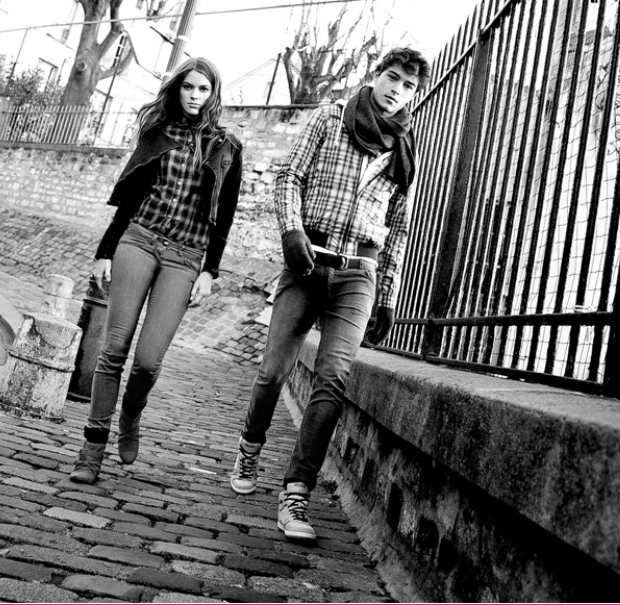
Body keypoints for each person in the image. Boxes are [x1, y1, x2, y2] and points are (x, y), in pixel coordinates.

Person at [228, 47, 431, 540]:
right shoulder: (330, 118)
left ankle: (296, 494)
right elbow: (289, 177)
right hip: (308, 260)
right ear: (376, 75)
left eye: (407, 86)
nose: (397, 90)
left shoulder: (404, 150)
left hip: (359, 273)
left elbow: (399, 228)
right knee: (273, 371)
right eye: (392, 77)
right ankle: (249, 447)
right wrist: (291, 232)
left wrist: (388, 294)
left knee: (333, 379)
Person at [70, 57, 243, 484]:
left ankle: (130, 415)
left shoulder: (226, 146)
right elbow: (129, 197)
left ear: (213, 94)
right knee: (113, 349)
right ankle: (92, 449)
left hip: (185, 257)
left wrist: (211, 271)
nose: (194, 96)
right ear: (177, 88)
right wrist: (105, 252)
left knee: (147, 361)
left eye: (203, 89)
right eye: (188, 87)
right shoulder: (157, 132)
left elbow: (225, 214)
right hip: (139, 241)